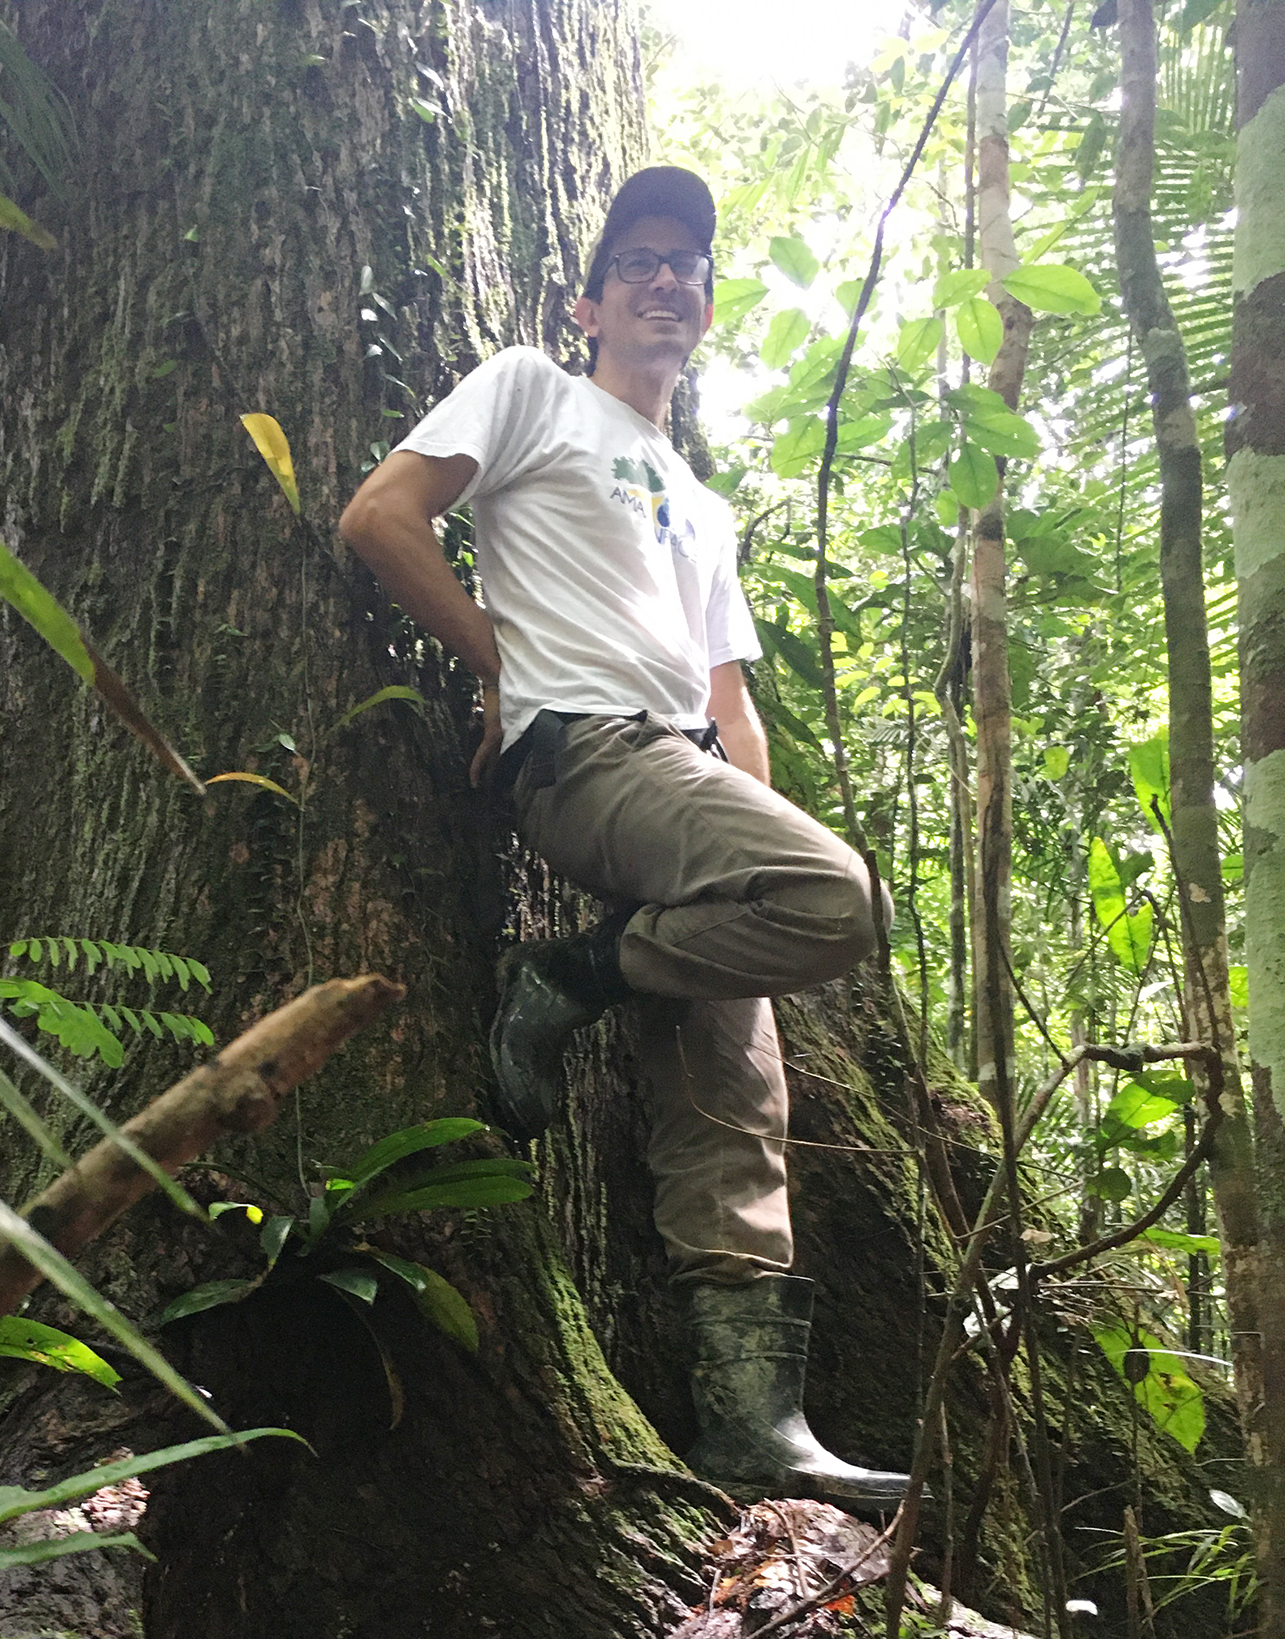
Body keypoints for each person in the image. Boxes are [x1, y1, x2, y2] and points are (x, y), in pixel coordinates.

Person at [338, 167, 912, 1506]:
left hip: (691, 783)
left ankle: (749, 1431)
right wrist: (497, 664)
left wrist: (754, 832)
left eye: (691, 266)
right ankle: (570, 977)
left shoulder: (703, 506)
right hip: (584, 753)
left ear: (705, 310)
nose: (669, 281)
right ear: (589, 302)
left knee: (737, 1113)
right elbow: (380, 515)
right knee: (841, 898)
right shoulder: (532, 392)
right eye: (641, 262)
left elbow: (729, 703)